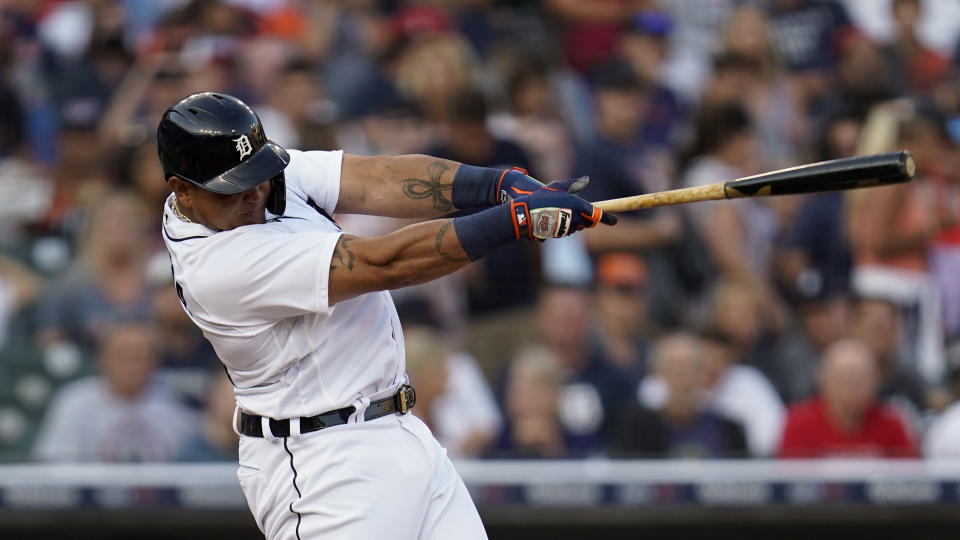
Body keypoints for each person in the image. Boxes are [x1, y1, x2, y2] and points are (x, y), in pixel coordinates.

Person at [157, 92, 614, 539]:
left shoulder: (245, 180)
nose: (256, 191)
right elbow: (383, 263)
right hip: (324, 468)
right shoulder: (218, 266)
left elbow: (375, 177)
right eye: (235, 187)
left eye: (258, 173)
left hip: (400, 428)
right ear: (182, 189)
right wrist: (511, 220)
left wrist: (496, 186)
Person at [32, 321, 198, 462]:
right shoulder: (74, 401)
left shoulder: (178, 402)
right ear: (101, 360)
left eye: (137, 356)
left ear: (155, 363)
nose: (129, 365)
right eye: (120, 355)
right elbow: (56, 468)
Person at [778, 339, 917, 458]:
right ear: (823, 381)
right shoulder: (798, 425)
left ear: (876, 381)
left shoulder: (892, 425)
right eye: (843, 379)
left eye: (860, 379)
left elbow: (911, 481)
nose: (851, 388)